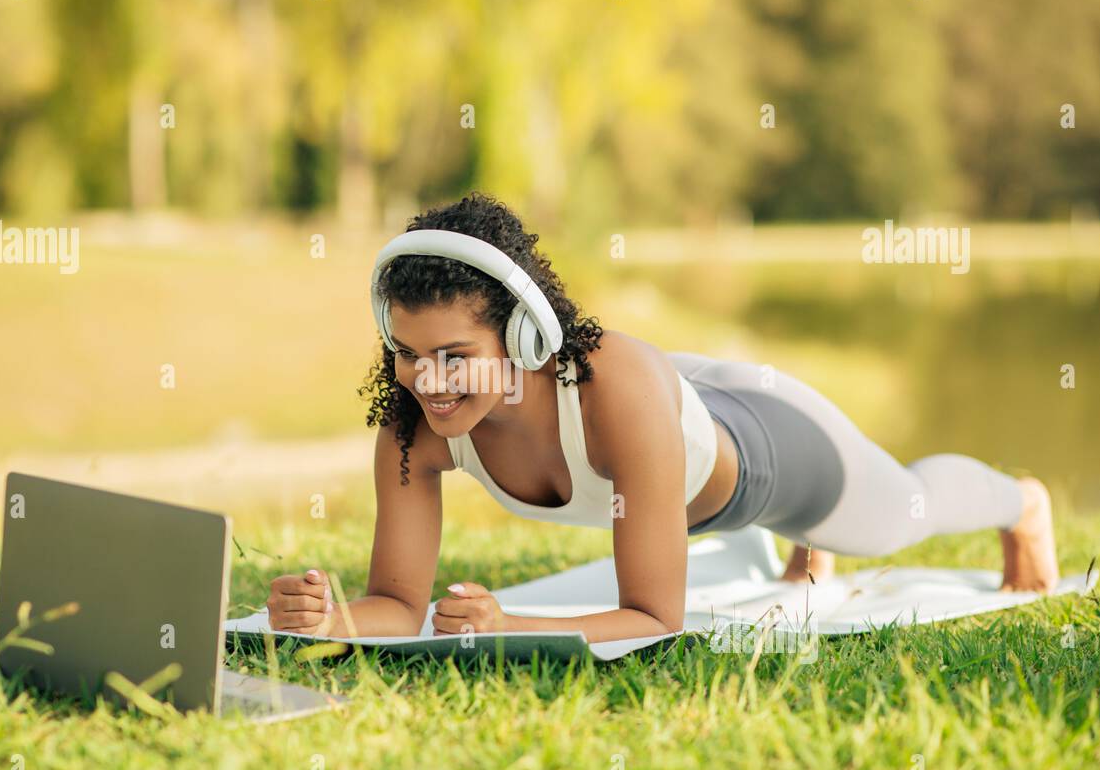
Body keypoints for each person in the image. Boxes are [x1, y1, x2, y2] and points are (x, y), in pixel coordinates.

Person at [268, 193, 1058, 641]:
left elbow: (653, 616)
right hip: (673, 404)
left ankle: (1019, 501)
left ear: (523, 336)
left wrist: (510, 622)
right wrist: (328, 614)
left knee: (892, 515)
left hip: (767, 446)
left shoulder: (613, 389)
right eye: (406, 353)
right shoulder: (415, 420)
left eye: (451, 354)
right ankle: (809, 557)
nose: (426, 382)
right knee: (824, 539)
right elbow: (400, 605)